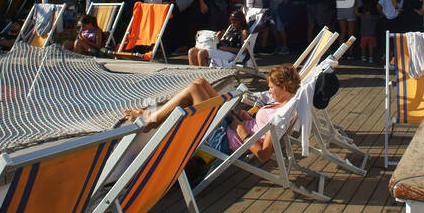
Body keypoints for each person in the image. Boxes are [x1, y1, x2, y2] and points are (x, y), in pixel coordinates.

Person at [123, 64, 301, 165]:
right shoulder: (286, 105)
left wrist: (241, 129)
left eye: (271, 88)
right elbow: (262, 129)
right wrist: (247, 120)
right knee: (201, 83)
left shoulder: (280, 116)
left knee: (194, 89)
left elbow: (263, 154)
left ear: (283, 88)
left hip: (223, 138)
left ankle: (151, 119)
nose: (269, 92)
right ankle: (152, 117)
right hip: (231, 126)